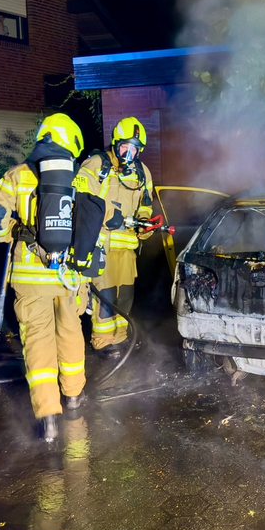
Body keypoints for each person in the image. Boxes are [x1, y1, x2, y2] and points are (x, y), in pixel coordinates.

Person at [0, 113, 105, 443]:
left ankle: (49, 416)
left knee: (38, 342)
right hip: (68, 277)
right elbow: (94, 218)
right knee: (70, 333)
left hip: (29, 277)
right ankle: (75, 398)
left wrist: (13, 232)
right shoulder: (78, 177)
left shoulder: (18, 175)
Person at [83, 116, 155, 360]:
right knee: (105, 296)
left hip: (127, 249)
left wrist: (145, 223)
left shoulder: (142, 173)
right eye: (125, 146)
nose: (129, 152)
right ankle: (102, 341)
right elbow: (81, 204)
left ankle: (121, 337)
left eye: (135, 148)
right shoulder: (96, 165)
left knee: (125, 295)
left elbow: (145, 205)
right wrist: (105, 218)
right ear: (115, 143)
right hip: (101, 246)